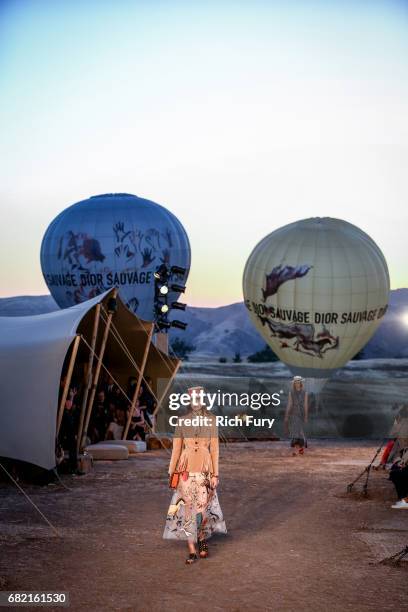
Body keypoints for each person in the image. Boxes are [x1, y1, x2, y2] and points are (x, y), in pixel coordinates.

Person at [163, 386, 227, 564]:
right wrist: (171, 472)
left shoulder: (212, 420)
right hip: (185, 468)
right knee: (187, 508)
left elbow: (214, 450)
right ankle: (192, 548)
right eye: (193, 398)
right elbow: (176, 450)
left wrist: (215, 474)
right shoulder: (182, 421)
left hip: (205, 468)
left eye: (199, 398)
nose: (196, 401)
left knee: (202, 508)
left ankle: (202, 539)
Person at [284, 376, 308, 455]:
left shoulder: (305, 392)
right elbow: (290, 404)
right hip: (293, 413)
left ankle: (300, 447)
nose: (297, 383)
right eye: (296, 382)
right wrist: (287, 414)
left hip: (301, 413)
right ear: (294, 383)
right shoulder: (291, 392)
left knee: (298, 430)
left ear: (301, 382)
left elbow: (305, 404)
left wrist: (305, 416)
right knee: (295, 430)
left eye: (298, 382)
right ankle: (298, 448)